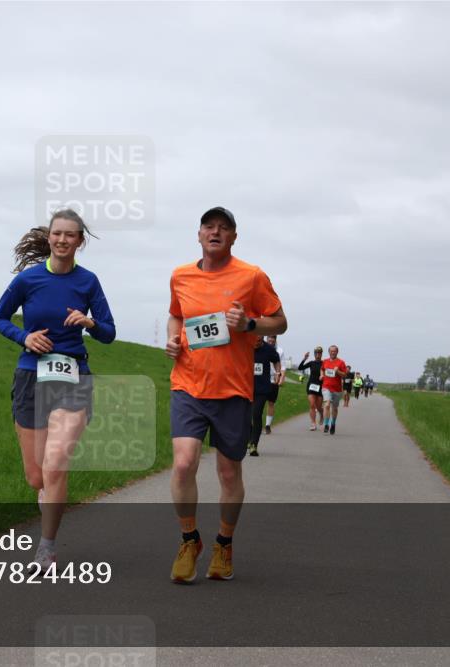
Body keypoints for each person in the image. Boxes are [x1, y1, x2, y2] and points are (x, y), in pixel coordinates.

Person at [165, 206, 287, 583]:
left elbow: (280, 321)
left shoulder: (252, 276)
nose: (215, 232)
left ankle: (223, 543)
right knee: (184, 463)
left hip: (232, 389)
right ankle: (189, 540)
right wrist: (172, 338)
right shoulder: (180, 275)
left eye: (224, 228)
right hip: (187, 383)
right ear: (198, 234)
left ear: (234, 237)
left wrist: (250, 323)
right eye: (209, 226)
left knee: (227, 471)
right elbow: (177, 315)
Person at [0, 209, 116, 573]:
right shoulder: (28, 281)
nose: (63, 240)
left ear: (80, 241)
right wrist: (24, 336)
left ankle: (46, 549)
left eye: (70, 235)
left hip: (73, 376)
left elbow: (109, 332)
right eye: (57, 233)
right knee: (37, 477)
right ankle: (48, 498)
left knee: (56, 463)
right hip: (31, 375)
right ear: (49, 238)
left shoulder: (88, 282)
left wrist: (89, 322)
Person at [248, 335, 282, 457]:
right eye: (254, 341)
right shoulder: (245, 345)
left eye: (258, 341)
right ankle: (249, 438)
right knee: (245, 416)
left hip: (262, 388)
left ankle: (254, 445)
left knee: (256, 414)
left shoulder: (269, 349)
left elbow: (276, 361)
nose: (255, 344)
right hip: (245, 387)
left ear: (262, 338)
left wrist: (278, 372)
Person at [320, 345, 348, 435]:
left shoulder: (341, 362)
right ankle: (326, 424)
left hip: (337, 389)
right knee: (327, 405)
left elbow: (345, 375)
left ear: (337, 352)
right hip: (326, 386)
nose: (333, 352)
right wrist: (321, 375)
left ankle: (333, 424)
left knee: (334, 408)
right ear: (329, 352)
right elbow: (322, 369)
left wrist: (338, 372)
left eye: (334, 351)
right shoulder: (325, 361)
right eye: (331, 351)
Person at [298, 347, 325, 430]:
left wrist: (323, 376)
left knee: (319, 406)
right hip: (311, 386)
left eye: (319, 353)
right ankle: (313, 423)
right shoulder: (311, 363)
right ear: (314, 354)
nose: (318, 355)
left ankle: (321, 413)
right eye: (316, 353)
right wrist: (304, 358)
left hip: (320, 386)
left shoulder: (324, 363)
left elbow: (328, 373)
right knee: (312, 404)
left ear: (321, 354)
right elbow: (300, 368)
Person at [263, 334, 285, 434]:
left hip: (274, 380)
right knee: (259, 403)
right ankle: (256, 424)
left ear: (276, 339)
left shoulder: (280, 351)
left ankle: (268, 425)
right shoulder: (261, 348)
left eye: (273, 339)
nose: (271, 340)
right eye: (269, 339)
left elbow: (283, 366)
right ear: (266, 339)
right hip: (262, 379)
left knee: (271, 403)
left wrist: (281, 378)